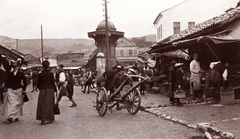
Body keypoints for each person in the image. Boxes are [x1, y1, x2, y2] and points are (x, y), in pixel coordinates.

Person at [36, 60, 57, 125]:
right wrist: (56, 90)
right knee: (49, 104)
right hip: (50, 89)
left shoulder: (40, 74)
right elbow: (53, 83)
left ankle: (42, 119)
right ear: (48, 66)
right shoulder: (50, 74)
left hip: (42, 90)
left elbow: (38, 83)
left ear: (42, 66)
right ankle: (49, 118)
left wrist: (40, 89)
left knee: (42, 104)